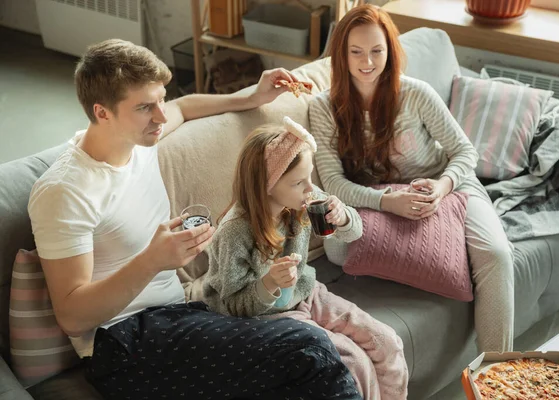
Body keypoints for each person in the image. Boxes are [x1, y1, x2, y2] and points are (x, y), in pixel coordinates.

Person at [28, 39, 362, 399]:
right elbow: (73, 316)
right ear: (102, 113)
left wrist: (253, 96)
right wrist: (152, 261)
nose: (160, 115)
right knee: (307, 347)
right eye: (145, 107)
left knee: (298, 368)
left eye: (160, 99)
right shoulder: (64, 191)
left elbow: (184, 107)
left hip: (179, 315)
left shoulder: (138, 140)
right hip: (124, 342)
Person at [308, 5, 514, 353]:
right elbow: (334, 185)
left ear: (390, 50)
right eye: (355, 52)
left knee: (496, 254)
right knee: (336, 248)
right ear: (340, 55)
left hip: (445, 184)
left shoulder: (415, 94)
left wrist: (442, 186)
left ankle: (498, 369)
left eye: (377, 50)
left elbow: (465, 153)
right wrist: (387, 201)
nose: (367, 62)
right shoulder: (324, 107)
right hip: (380, 197)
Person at [202, 117, 409, 400]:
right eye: (300, 182)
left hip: (305, 292)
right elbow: (233, 305)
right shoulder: (235, 231)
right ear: (267, 185)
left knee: (388, 342)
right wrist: (268, 283)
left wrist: (344, 216)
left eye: (310, 177)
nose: (311, 189)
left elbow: (354, 232)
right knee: (353, 364)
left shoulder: (303, 201)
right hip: (265, 317)